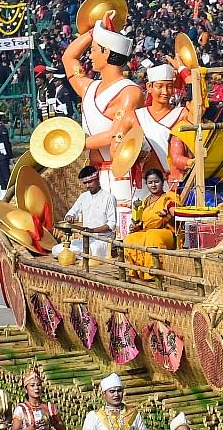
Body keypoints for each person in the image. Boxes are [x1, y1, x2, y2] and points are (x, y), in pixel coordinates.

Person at [64, 18, 142, 224]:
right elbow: (69, 58)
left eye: (94, 49)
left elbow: (114, 134)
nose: (89, 55)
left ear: (107, 53)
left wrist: (75, 144)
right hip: (96, 174)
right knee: (95, 227)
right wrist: (92, 33)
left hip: (119, 175)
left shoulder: (129, 92)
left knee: (120, 227)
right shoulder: (89, 88)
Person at [129, 63, 192, 193]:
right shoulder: (136, 116)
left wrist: (182, 70)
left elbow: (199, 105)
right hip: (146, 185)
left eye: (169, 87)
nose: (165, 92)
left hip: (175, 184)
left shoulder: (182, 114)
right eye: (159, 86)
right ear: (149, 87)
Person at [123, 168, 182, 277]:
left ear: (162, 182)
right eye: (150, 182)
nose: (153, 185)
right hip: (147, 232)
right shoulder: (145, 201)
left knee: (151, 236)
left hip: (167, 233)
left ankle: (153, 272)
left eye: (156, 182)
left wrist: (167, 217)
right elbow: (142, 223)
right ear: (147, 184)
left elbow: (178, 218)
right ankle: (137, 271)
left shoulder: (169, 198)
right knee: (130, 238)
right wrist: (135, 227)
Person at [56, 165, 117, 254]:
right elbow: (72, 212)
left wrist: (92, 230)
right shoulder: (83, 197)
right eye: (85, 183)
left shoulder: (109, 198)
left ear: (97, 179)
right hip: (86, 239)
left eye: (90, 182)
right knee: (57, 249)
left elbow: (111, 224)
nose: (88, 186)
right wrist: (69, 217)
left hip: (102, 241)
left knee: (91, 251)